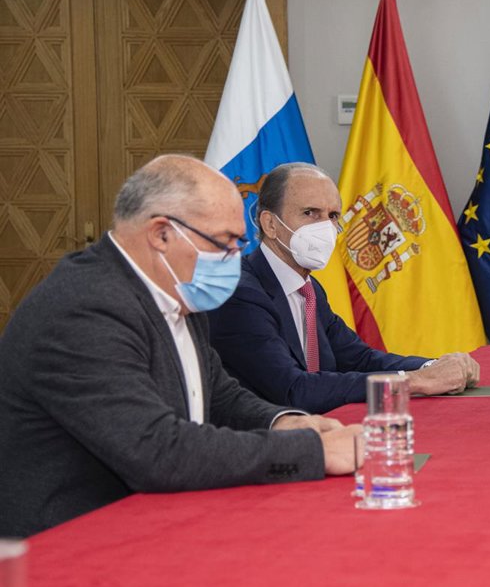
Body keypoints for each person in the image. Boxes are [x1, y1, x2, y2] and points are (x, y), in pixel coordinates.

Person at [0, 155, 359, 538]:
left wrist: (285, 422)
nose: (235, 258)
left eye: (239, 242)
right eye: (224, 242)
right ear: (161, 234)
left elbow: (219, 394)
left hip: (151, 520)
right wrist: (313, 452)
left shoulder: (176, 289)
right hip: (66, 543)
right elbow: (156, 449)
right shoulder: (84, 309)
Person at [207, 163, 479, 414]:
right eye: (310, 213)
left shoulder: (309, 288)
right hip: (266, 440)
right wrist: (415, 381)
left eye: (333, 216)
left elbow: (359, 359)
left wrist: (432, 366)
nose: (325, 227)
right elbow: (293, 390)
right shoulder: (240, 293)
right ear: (270, 224)